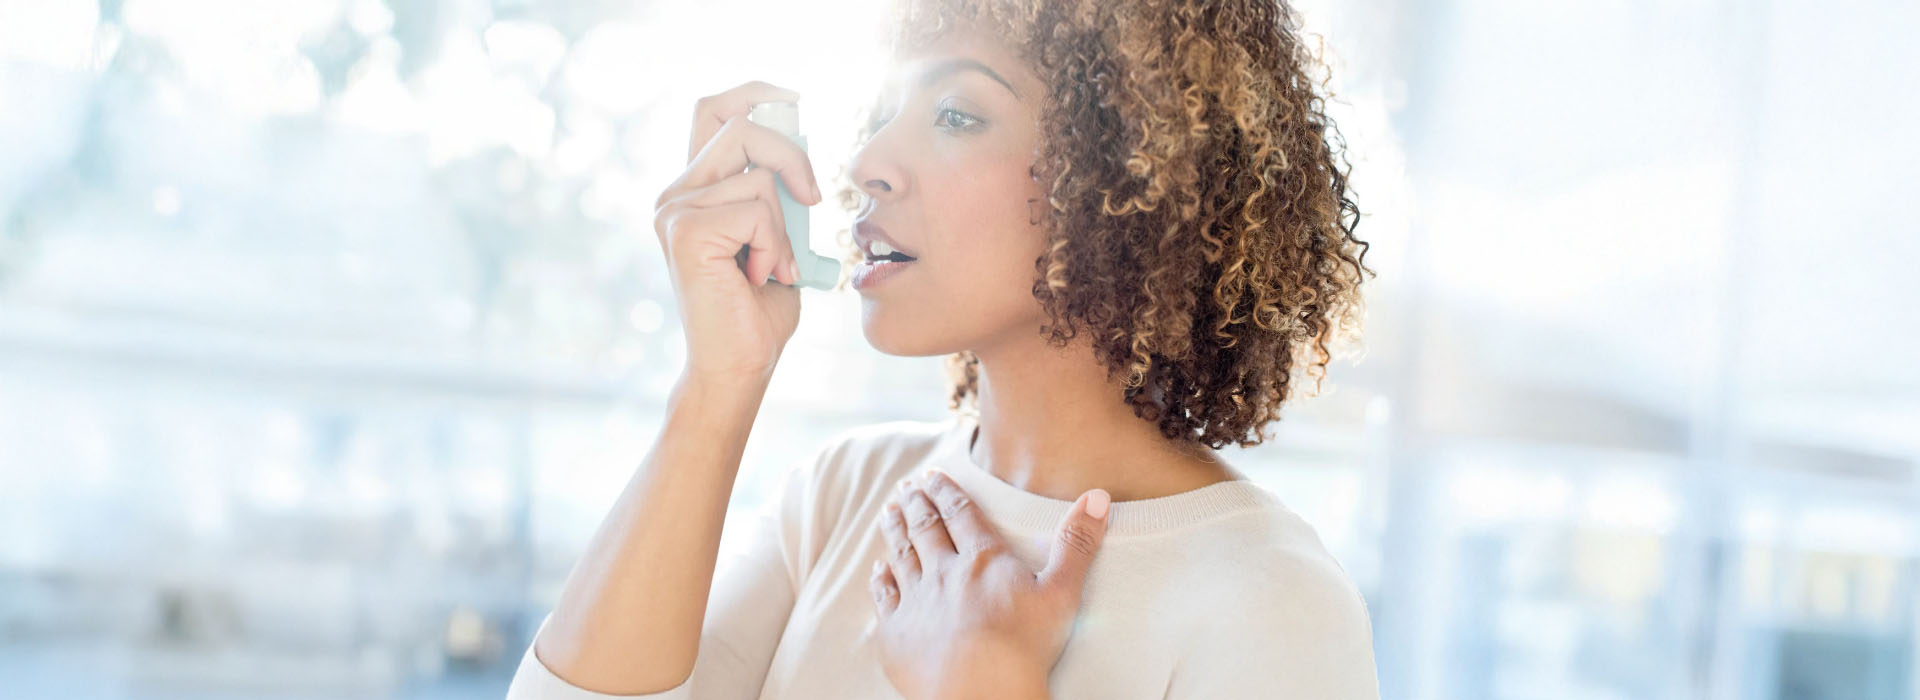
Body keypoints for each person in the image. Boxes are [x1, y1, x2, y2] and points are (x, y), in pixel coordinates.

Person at [507, 0, 1378, 696]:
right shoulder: (844, 497)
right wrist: (719, 382)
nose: (868, 162)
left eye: (957, 114)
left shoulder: (1274, 604)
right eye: (883, 115)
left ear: (1134, 171)